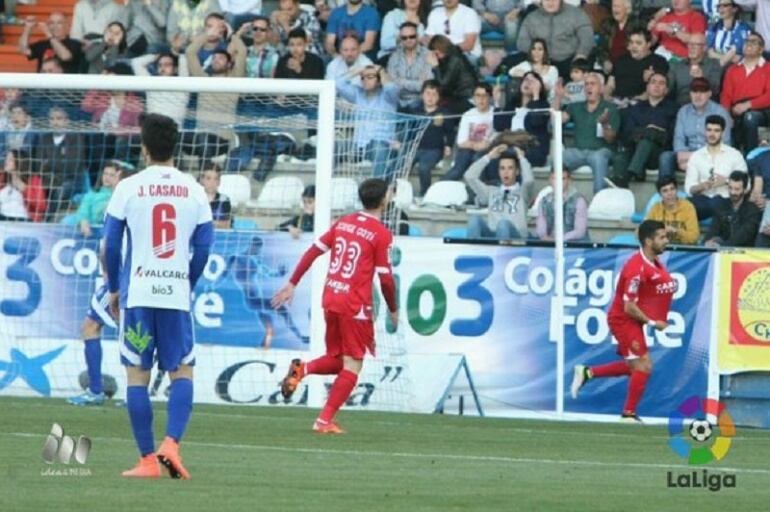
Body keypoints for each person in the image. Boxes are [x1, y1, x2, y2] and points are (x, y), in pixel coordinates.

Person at [104, 114, 214, 479]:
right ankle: (172, 444)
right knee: (182, 370)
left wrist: (114, 288)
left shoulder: (128, 187)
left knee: (137, 374)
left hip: (138, 293)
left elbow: (110, 244)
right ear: (175, 147)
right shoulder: (195, 189)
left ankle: (148, 460)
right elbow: (203, 248)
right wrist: (188, 282)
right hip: (175, 295)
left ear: (144, 148)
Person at [272, 178, 398, 434]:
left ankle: (302, 369)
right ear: (384, 200)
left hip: (331, 298)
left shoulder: (344, 222)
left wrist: (292, 283)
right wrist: (393, 309)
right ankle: (324, 421)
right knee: (354, 364)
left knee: (339, 359)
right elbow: (385, 278)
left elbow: (313, 251)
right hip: (355, 305)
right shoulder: (381, 234)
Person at [571, 220, 675, 423]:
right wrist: (654, 323)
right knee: (644, 365)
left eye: (665, 237)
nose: (666, 241)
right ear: (648, 241)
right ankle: (628, 415)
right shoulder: (636, 268)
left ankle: (587, 372)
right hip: (623, 319)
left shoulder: (653, 261)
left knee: (634, 365)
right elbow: (629, 307)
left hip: (634, 321)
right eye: (661, 237)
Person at [66, 161, 135, 407]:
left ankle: (97, 391)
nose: (109, 180)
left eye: (114, 177)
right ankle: (132, 395)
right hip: (135, 277)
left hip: (119, 278)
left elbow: (109, 246)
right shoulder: (136, 207)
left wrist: (108, 276)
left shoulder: (117, 207)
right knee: (133, 334)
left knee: (91, 327)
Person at [555, 72, 620, 193]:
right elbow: (555, 123)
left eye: (593, 84)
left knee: (598, 157)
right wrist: (558, 97)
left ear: (601, 88)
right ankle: (558, 197)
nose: (589, 87)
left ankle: (599, 200)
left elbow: (611, 139)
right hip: (579, 151)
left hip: (601, 150)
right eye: (586, 84)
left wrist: (605, 124)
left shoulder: (610, 108)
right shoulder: (575, 106)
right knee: (560, 156)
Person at [658, 77, 732, 179]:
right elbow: (679, 140)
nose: (698, 96)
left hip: (711, 156)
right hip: (686, 155)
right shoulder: (683, 111)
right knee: (666, 157)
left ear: (709, 94)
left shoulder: (720, 112)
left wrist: (691, 158)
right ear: (690, 94)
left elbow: (724, 144)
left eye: (702, 92)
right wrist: (682, 156)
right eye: (694, 91)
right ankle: (666, 190)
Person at [612, 71, 678, 186]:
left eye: (661, 83)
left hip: (658, 155)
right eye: (653, 82)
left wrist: (652, 134)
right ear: (647, 88)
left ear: (666, 90)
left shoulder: (673, 109)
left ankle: (628, 176)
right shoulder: (636, 108)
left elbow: (671, 136)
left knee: (646, 142)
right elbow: (628, 134)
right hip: (635, 151)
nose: (657, 86)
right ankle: (620, 190)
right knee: (620, 156)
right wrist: (649, 131)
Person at [464, 144, 533, 240]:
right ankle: (474, 253)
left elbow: (529, 180)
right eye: (502, 168)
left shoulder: (523, 192)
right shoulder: (491, 191)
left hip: (517, 239)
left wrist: (521, 158)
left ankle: (502, 253)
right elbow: (469, 177)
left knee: (503, 224)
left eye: (510, 168)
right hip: (493, 236)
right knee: (475, 220)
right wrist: (489, 156)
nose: (506, 172)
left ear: (517, 171)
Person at [684, 115, 747, 219]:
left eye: (716, 131)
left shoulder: (734, 155)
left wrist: (726, 181)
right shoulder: (696, 156)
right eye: (709, 130)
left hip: (727, 200)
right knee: (685, 205)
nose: (712, 134)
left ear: (723, 133)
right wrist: (703, 186)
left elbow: (747, 185)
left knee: (718, 202)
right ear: (705, 131)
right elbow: (689, 189)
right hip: (702, 200)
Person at [516, 0, 594, 79]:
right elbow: (522, 42)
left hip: (569, 61)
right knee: (512, 62)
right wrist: (537, 57)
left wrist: (581, 55)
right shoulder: (531, 18)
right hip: (540, 62)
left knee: (587, 64)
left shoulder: (577, 14)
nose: (550, 2)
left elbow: (587, 37)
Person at [719, 31, 770, 151]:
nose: (749, 44)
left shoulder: (768, 68)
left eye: (754, 42)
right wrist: (725, 115)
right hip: (736, 111)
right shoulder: (732, 69)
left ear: (761, 49)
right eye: (747, 41)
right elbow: (726, 96)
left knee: (750, 117)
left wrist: (748, 105)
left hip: (762, 111)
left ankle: (751, 159)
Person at [492, 71, 550, 167]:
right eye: (526, 80)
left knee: (506, 156)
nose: (528, 83)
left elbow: (536, 121)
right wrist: (497, 102)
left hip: (532, 149)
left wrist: (536, 95)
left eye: (532, 82)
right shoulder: (512, 105)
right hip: (510, 145)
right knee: (484, 155)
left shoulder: (543, 105)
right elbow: (499, 126)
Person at [407, 80, 453, 196]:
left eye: (434, 94)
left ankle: (425, 194)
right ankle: (400, 193)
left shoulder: (444, 113)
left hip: (434, 150)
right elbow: (409, 131)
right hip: (416, 148)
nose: (430, 97)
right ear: (422, 95)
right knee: (402, 165)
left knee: (424, 167)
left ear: (439, 97)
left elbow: (450, 132)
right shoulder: (415, 111)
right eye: (427, 93)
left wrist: (448, 145)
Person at [443, 83, 496, 181]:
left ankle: (478, 194)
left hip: (487, 149)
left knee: (478, 161)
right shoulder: (468, 114)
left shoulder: (495, 113)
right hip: (467, 149)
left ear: (490, 97)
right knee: (457, 170)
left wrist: (485, 146)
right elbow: (461, 142)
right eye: (478, 95)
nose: (481, 99)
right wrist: (476, 145)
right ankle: (437, 190)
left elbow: (495, 138)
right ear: (473, 98)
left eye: (484, 95)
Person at [606, 28, 668, 103]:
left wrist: (635, 100)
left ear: (648, 44)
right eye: (631, 42)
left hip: (640, 103)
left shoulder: (659, 61)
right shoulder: (621, 59)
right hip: (616, 100)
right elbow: (610, 85)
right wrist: (606, 96)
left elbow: (656, 90)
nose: (634, 46)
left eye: (638, 43)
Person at [704, 170, 761, 247]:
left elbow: (744, 235)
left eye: (737, 189)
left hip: (744, 253)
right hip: (721, 251)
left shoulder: (753, 210)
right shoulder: (721, 205)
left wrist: (722, 246)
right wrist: (708, 241)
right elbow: (713, 228)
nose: (732, 192)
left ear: (745, 190)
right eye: (730, 188)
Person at [666, 32, 722, 106]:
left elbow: (715, 91)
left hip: (705, 107)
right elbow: (667, 89)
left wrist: (702, 78)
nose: (691, 47)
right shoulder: (678, 65)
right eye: (690, 44)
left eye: (696, 45)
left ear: (704, 48)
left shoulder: (713, 64)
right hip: (680, 107)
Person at [425, 34, 477, 114]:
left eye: (436, 53)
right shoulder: (447, 58)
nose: (435, 56)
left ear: (441, 49)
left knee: (441, 112)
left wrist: (435, 67)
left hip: (467, 98)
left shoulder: (454, 59)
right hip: (456, 97)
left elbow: (443, 84)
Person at [386, 21, 433, 109]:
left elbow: (426, 85)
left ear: (418, 36)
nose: (408, 40)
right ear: (400, 39)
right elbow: (391, 82)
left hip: (419, 101)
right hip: (397, 100)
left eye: (412, 36)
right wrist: (416, 83)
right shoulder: (395, 56)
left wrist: (401, 81)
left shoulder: (428, 55)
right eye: (404, 38)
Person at [18, 12, 84, 74]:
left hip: (65, 84)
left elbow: (65, 56)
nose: (55, 26)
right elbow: (23, 50)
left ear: (67, 26)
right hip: (43, 83)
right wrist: (28, 28)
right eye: (51, 23)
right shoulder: (42, 44)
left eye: (59, 23)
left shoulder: (75, 44)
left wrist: (49, 35)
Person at [535, 168, 589, 242]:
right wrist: (546, 238)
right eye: (555, 179)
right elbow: (541, 230)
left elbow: (580, 231)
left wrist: (560, 240)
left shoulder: (579, 201)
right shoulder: (544, 201)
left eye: (562, 179)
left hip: (574, 246)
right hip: (550, 243)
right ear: (550, 180)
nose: (558, 182)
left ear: (569, 180)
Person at [645, 175, 700, 244]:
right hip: (662, 250)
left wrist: (676, 231)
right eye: (665, 191)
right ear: (660, 194)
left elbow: (694, 237)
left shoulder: (688, 207)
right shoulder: (655, 209)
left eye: (672, 189)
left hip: (683, 250)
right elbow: (641, 232)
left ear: (677, 190)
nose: (670, 193)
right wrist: (658, 232)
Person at [707, 0, 751, 67]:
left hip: (735, 69)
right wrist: (727, 57)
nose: (721, 8)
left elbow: (732, 60)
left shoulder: (743, 28)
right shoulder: (714, 26)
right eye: (719, 6)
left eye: (725, 5)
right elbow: (709, 53)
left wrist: (715, 55)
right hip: (714, 68)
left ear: (734, 9)